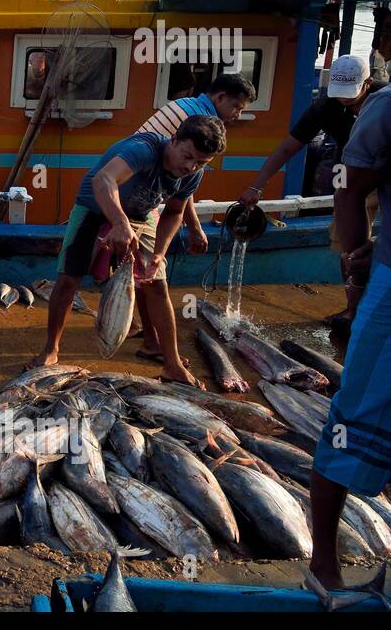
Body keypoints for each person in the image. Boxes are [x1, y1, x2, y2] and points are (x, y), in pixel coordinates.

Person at [30, 115, 228, 386]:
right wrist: (119, 223)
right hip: (96, 206)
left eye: (200, 163)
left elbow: (174, 212)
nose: (190, 166)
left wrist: (159, 253)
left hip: (140, 214)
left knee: (157, 284)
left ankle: (171, 364)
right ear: (174, 140)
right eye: (187, 156)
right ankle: (50, 350)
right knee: (69, 278)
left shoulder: (193, 174)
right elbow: (103, 181)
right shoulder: (143, 150)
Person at [307, 84, 391, 590]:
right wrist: (357, 279)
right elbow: (351, 189)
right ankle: (324, 566)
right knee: (353, 414)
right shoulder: (387, 108)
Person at [238, 54, 386, 331]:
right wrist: (256, 185)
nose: (346, 102)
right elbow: (287, 148)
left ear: (368, 83)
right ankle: (354, 310)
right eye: (341, 95)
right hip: (351, 173)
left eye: (352, 97)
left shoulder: (385, 100)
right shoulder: (325, 106)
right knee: (347, 246)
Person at [128, 73, 257, 365]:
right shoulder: (199, 121)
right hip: (140, 197)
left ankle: (150, 338)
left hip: (145, 194)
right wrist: (195, 227)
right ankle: (154, 343)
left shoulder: (187, 106)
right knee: (151, 275)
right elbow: (181, 174)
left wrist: (190, 222)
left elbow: (183, 178)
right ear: (220, 97)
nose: (237, 115)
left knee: (144, 274)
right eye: (236, 106)